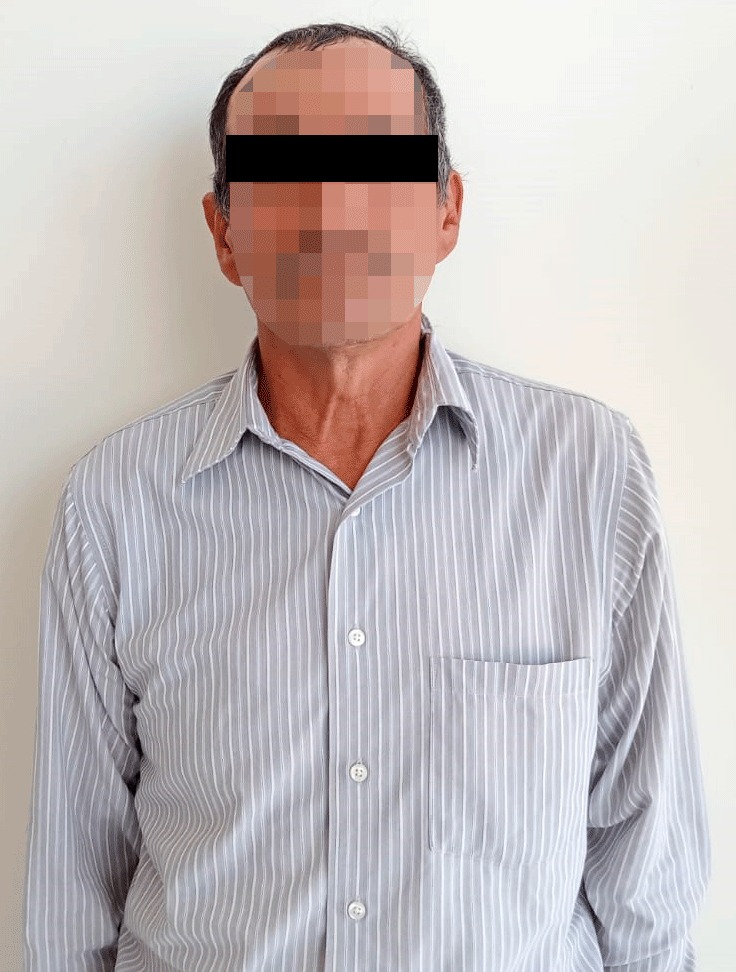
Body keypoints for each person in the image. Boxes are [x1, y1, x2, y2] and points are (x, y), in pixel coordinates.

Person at [23, 21, 711, 972]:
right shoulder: (114, 505)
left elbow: (649, 880)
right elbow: (71, 899)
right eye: (283, 174)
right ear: (224, 233)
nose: (331, 208)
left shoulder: (589, 475)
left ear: (446, 211)